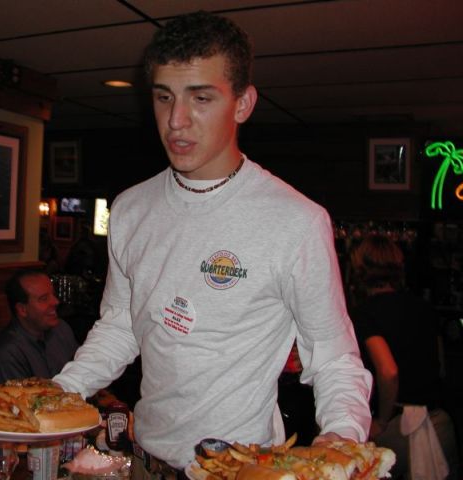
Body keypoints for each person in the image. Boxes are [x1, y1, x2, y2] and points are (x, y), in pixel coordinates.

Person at [53, 10, 373, 471]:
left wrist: (340, 438)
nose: (176, 121)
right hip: (144, 460)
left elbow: (335, 358)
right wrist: (59, 392)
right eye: (164, 97)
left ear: (242, 104)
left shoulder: (296, 221)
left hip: (239, 468)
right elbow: (121, 324)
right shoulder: (129, 208)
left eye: (200, 98)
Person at [350, 234, 459, 478]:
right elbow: (441, 368)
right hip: (439, 423)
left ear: (360, 270)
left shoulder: (365, 314)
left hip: (403, 429)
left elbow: (389, 371)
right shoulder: (424, 308)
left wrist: (382, 420)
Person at [0, 268, 78, 384]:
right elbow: (20, 396)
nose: (55, 302)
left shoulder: (61, 329)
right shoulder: (7, 354)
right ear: (22, 309)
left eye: (53, 294)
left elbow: (82, 371)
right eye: (44, 299)